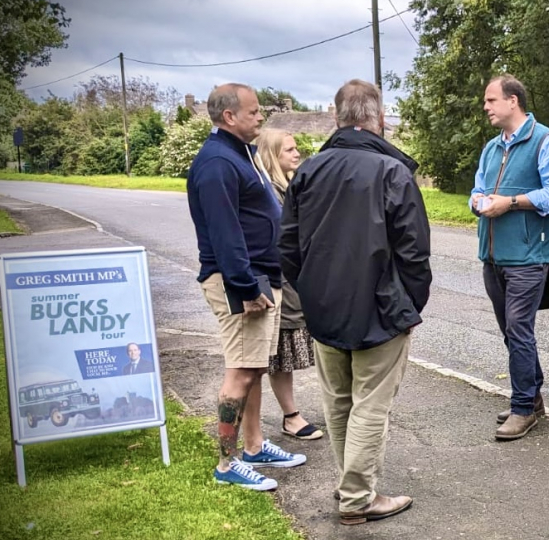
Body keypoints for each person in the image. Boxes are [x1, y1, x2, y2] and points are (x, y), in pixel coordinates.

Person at [279, 79, 431, 525]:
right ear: (378, 119)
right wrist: (408, 308)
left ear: (337, 117)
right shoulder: (392, 172)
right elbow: (415, 253)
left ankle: (352, 487)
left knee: (339, 402)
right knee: (369, 405)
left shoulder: (308, 170)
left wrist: (309, 290)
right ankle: (358, 498)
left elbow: (287, 247)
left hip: (324, 308)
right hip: (380, 310)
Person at [187, 83, 306, 492]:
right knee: (241, 371)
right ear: (229, 116)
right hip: (242, 282)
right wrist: (243, 285)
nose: (261, 118)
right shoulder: (217, 162)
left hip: (260, 278)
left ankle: (253, 446)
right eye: (254, 112)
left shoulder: (241, 153)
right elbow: (225, 233)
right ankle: (227, 464)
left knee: (255, 366)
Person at [470, 74, 549, 441]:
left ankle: (524, 408)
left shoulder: (545, 140)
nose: (486, 107)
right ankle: (532, 395)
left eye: (491, 100)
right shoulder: (492, 148)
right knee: (511, 333)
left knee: (519, 330)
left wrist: (509, 203)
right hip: (492, 255)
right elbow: (477, 190)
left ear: (513, 101)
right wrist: (478, 202)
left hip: (528, 256)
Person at [252, 128, 322, 441]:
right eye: (289, 150)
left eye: (296, 149)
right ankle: (290, 416)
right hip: (277, 280)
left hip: (297, 279)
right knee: (279, 350)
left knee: (287, 348)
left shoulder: (290, 186)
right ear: (272, 156)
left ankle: (292, 413)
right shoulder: (268, 192)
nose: (296, 154)